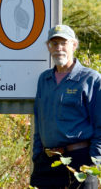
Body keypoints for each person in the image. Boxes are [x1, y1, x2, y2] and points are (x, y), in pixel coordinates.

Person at [30, 25, 101, 189]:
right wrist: (37, 156)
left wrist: (94, 162)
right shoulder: (44, 79)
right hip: (46, 163)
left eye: (64, 43)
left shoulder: (90, 79)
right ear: (49, 47)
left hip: (80, 161)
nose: (59, 48)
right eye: (54, 44)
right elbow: (39, 122)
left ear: (74, 45)